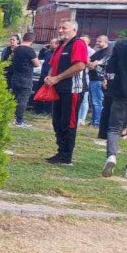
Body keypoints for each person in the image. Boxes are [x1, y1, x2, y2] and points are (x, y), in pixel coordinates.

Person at [43, 21, 90, 166]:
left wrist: (57, 78)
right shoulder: (60, 46)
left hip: (72, 89)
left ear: (74, 29)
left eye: (64, 28)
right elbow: (53, 65)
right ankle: (61, 152)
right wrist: (49, 77)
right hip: (58, 89)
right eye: (59, 27)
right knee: (57, 121)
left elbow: (80, 65)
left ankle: (66, 156)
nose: (60, 30)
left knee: (68, 122)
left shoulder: (78, 43)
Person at [102, 39, 127, 178]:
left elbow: (110, 67)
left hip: (121, 93)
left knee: (114, 129)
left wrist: (111, 85)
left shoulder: (120, 45)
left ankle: (111, 156)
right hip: (121, 92)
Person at [10, 32, 41, 127]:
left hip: (15, 77)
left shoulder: (16, 49)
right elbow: (37, 64)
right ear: (32, 40)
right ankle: (19, 120)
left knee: (14, 98)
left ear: (23, 38)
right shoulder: (30, 50)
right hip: (25, 78)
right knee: (23, 100)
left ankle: (11, 118)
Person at [87, 35, 112, 126]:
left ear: (106, 41)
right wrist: (92, 64)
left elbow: (98, 64)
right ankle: (94, 120)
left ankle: (97, 122)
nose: (97, 43)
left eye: (99, 41)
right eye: (97, 41)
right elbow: (88, 61)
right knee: (93, 102)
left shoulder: (108, 52)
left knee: (97, 102)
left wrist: (94, 64)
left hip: (99, 79)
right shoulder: (98, 52)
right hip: (92, 78)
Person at [33, 38, 59, 115]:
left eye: (52, 43)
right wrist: (43, 49)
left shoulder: (58, 53)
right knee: (39, 91)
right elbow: (40, 58)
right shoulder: (48, 51)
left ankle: (48, 111)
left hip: (52, 76)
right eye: (50, 43)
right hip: (43, 74)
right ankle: (38, 109)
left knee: (50, 93)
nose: (50, 44)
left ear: (57, 44)